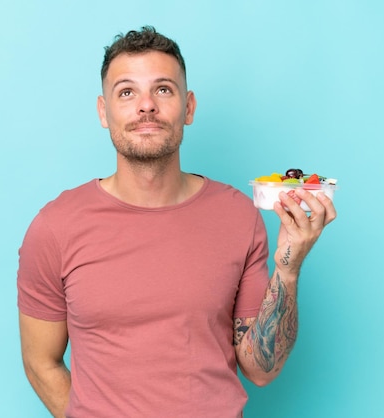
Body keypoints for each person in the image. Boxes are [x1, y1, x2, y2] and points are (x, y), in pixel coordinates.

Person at [17, 26, 336, 418]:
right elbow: (40, 362)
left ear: (189, 108)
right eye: (127, 92)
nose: (146, 106)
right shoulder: (55, 228)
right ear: (104, 111)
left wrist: (288, 267)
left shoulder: (238, 216)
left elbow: (261, 369)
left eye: (163, 89)